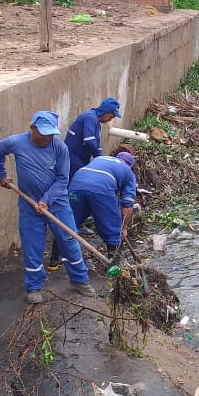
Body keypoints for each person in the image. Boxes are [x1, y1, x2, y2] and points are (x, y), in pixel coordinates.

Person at [0, 110, 94, 304]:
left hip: (58, 204)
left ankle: (80, 281)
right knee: (32, 246)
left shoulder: (60, 148)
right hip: (29, 205)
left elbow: (63, 179)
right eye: (43, 133)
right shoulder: (16, 143)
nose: (47, 138)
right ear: (32, 128)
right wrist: (1, 175)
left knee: (69, 240)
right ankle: (34, 288)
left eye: (51, 134)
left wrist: (47, 199)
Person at [47, 96, 122, 269]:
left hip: (79, 161)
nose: (110, 119)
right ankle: (58, 253)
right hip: (73, 161)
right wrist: (101, 158)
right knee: (72, 199)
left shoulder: (93, 119)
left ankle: (74, 226)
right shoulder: (90, 118)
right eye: (111, 115)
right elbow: (89, 141)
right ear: (104, 111)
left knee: (76, 200)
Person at [68, 151, 138, 261]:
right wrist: (123, 228)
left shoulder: (101, 159)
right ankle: (114, 264)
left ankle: (55, 260)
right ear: (130, 165)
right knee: (113, 228)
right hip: (101, 187)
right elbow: (128, 204)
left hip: (77, 182)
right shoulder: (129, 172)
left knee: (68, 223)